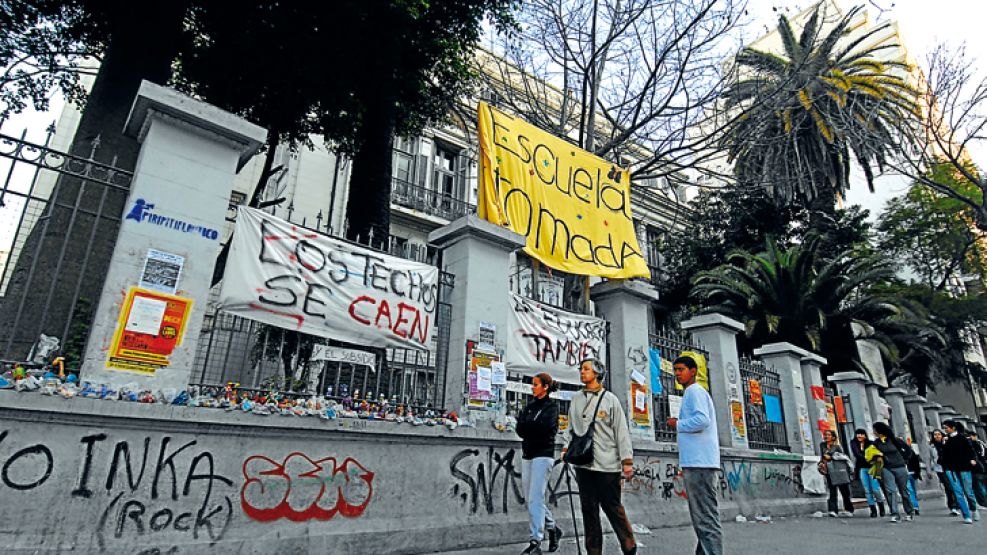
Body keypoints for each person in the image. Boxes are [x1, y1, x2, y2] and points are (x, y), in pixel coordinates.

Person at [564, 358, 636, 555]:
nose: (582, 372)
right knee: (588, 510)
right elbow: (570, 429)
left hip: (607, 465)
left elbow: (621, 431)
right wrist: (565, 448)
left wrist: (626, 461)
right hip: (584, 465)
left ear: (597, 373)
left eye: (586, 369)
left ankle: (629, 545)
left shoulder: (610, 400)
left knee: (613, 508)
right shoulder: (576, 399)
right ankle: (593, 551)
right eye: (581, 369)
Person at [667, 356, 722, 555]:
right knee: (703, 516)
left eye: (681, 369)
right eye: (675, 370)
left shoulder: (694, 391)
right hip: (700, 461)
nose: (677, 374)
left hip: (700, 463)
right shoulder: (695, 392)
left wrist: (677, 424)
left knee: (705, 518)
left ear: (693, 371)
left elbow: (701, 420)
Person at [516, 373, 564, 555]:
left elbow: (546, 429)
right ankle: (553, 528)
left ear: (545, 387)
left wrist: (530, 428)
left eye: (536, 384)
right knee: (530, 500)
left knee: (536, 497)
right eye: (532, 384)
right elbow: (520, 428)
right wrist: (531, 427)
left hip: (543, 455)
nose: (532, 387)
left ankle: (535, 540)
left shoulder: (551, 408)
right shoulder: (529, 407)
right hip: (528, 453)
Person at [872, 421, 915, 523]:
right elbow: (874, 456)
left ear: (880, 431)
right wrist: (877, 472)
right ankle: (895, 513)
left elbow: (908, 450)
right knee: (890, 490)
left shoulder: (895, 440)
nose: (874, 432)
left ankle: (909, 511)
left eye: (875, 430)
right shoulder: (876, 443)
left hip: (899, 467)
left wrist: (905, 460)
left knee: (904, 491)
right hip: (886, 468)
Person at [941, 420, 980, 524]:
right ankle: (966, 515)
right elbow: (944, 455)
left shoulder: (962, 438)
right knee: (958, 493)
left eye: (946, 428)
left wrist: (973, 459)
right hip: (951, 469)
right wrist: (944, 444)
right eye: (944, 428)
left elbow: (971, 451)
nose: (945, 430)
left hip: (964, 468)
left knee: (968, 491)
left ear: (953, 428)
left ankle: (973, 508)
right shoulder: (946, 440)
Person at [850, 428, 886, 517]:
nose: (859, 436)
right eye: (858, 434)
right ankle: (873, 509)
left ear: (865, 435)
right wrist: (867, 457)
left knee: (875, 488)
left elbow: (877, 454)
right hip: (862, 468)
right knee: (867, 490)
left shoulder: (871, 443)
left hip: (872, 467)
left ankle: (881, 507)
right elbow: (857, 454)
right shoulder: (854, 443)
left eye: (861, 434)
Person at [819, 429, 854, 517]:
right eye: (825, 435)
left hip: (839, 471)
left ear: (833, 437)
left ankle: (849, 509)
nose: (826, 436)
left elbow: (842, 457)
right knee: (832, 490)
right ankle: (833, 510)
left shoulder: (837, 446)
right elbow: (822, 456)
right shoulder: (822, 445)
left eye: (828, 435)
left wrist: (831, 457)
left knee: (844, 491)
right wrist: (821, 463)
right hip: (829, 470)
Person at [931, 429, 961, 515]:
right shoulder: (932, 447)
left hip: (950, 467)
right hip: (940, 469)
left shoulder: (947, 443)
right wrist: (930, 470)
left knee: (953, 486)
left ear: (942, 435)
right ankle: (953, 505)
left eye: (939, 434)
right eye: (935, 435)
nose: (937, 436)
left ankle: (956, 503)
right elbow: (930, 458)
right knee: (948, 487)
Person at [966, 430, 987, 507]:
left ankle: (984, 502)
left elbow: (981, 456)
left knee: (980, 486)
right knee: (981, 486)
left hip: (979, 468)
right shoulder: (981, 443)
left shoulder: (977, 444)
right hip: (981, 467)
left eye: (970, 436)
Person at [904, 438, 922, 516]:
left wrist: (917, 473)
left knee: (913, 490)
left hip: (912, 473)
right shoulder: (897, 453)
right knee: (910, 490)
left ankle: (914, 505)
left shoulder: (911, 452)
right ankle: (915, 507)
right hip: (905, 474)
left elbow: (916, 463)